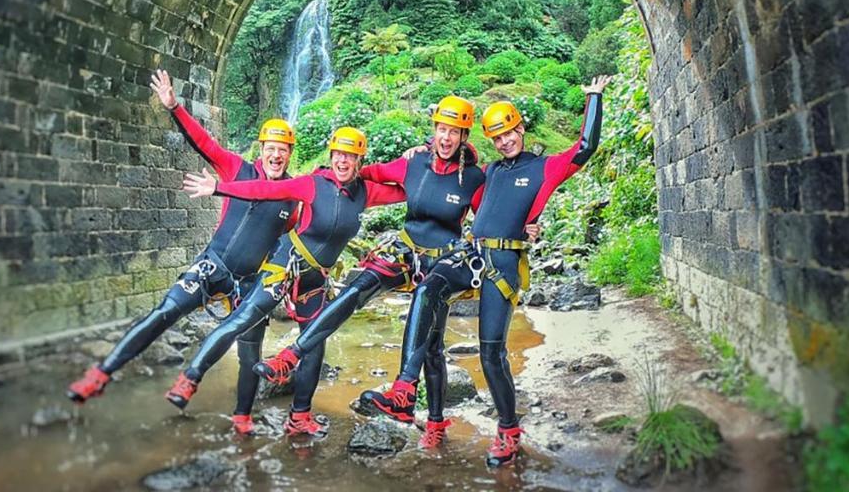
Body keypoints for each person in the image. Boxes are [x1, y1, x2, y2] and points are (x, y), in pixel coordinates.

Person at [361, 76, 610, 467]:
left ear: (520, 130)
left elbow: (585, 147)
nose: (505, 141)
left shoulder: (545, 168)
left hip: (504, 265)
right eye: (497, 137)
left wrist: (593, 99)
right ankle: (405, 390)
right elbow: (457, 159)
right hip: (470, 255)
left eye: (509, 133)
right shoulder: (490, 172)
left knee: (491, 355)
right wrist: (423, 150)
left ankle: (509, 432)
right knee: (427, 290)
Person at [250, 96, 504, 449]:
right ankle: (291, 355)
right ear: (434, 129)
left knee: (432, 347)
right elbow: (363, 172)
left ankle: (432, 423)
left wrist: (526, 229)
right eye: (441, 129)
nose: (446, 138)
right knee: (356, 289)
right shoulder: (411, 164)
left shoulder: (474, 178)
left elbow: (492, 216)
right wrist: (326, 178)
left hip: (442, 263)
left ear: (464, 136)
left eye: (454, 132)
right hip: (403, 250)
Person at [66, 70, 298, 437]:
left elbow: (291, 239)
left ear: (289, 154)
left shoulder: (294, 196)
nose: (275, 155)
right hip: (214, 264)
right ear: (261, 149)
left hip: (251, 280)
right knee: (165, 312)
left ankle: (242, 419)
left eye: (282, 150)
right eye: (270, 148)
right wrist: (174, 106)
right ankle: (101, 374)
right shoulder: (237, 168)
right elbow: (203, 143)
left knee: (250, 352)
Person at [172, 127, 404, 436]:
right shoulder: (312, 184)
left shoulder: (366, 192)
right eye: (338, 155)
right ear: (331, 155)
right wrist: (219, 188)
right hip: (286, 263)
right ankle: (190, 378)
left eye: (350, 156)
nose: (342, 161)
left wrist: (419, 160)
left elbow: (412, 188)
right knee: (243, 319)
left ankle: (299, 417)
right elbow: (263, 191)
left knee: (314, 344)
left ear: (359, 160)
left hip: (315, 279)